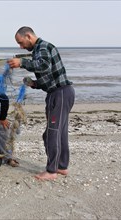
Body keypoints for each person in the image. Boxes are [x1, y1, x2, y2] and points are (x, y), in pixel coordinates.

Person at [7, 26, 75, 180]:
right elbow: (49, 76)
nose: (21, 46)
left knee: (52, 133)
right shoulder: (39, 49)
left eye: (21, 42)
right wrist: (34, 84)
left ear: (28, 36)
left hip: (60, 93)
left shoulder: (43, 47)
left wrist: (22, 62)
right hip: (60, 92)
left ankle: (51, 171)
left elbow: (44, 65)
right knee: (60, 132)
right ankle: (62, 167)